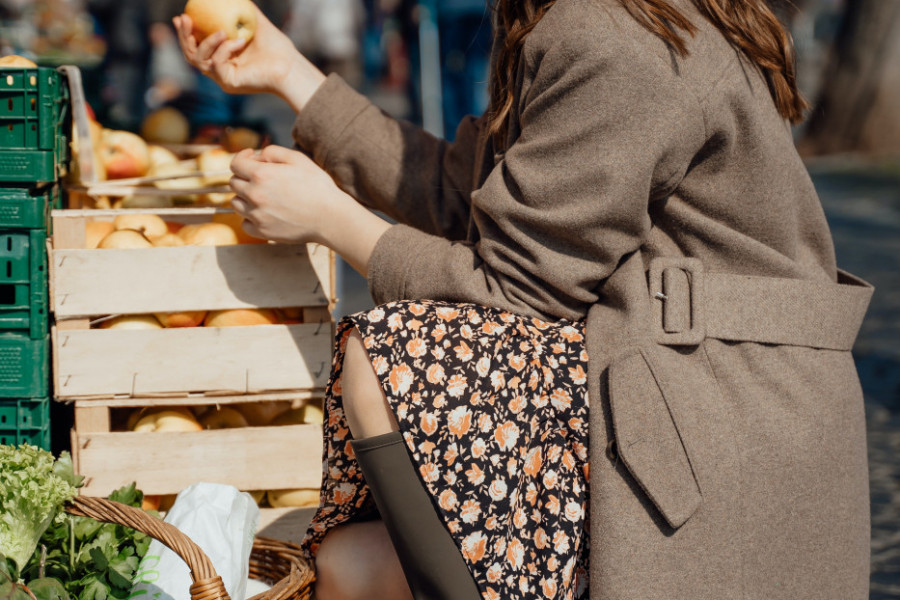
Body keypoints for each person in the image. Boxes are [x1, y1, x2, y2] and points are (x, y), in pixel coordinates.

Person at [174, 0, 874, 598]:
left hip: (716, 425)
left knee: (397, 355)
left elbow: (513, 291)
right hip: (670, 391)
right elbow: (467, 198)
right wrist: (288, 72)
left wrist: (331, 219)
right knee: (352, 570)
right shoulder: (581, 18)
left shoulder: (613, 32)